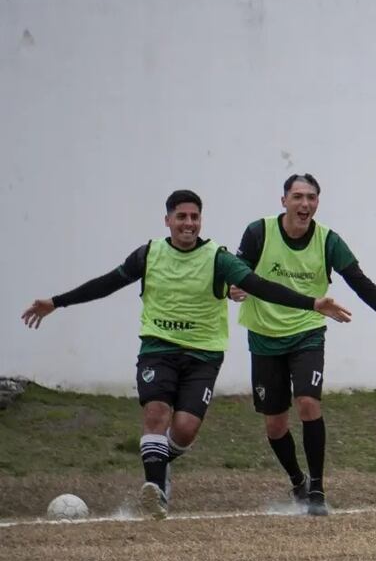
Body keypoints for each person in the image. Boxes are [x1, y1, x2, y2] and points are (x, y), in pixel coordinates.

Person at [21, 190, 351, 520]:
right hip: (158, 348)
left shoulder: (218, 259)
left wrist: (312, 303)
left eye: (194, 217)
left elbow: (259, 285)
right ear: (168, 221)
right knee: (155, 413)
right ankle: (156, 496)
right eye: (181, 217)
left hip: (203, 355)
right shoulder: (148, 254)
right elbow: (107, 283)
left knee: (185, 429)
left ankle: (160, 460)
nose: (188, 224)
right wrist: (56, 301)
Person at [232, 173, 376, 516]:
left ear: (317, 203)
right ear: (284, 201)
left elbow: (361, 284)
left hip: (307, 332)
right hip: (263, 336)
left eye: (311, 198)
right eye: (298, 197)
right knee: (275, 425)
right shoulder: (258, 232)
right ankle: (297, 481)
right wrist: (234, 289)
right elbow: (239, 273)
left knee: (308, 403)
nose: (305, 204)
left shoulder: (328, 241)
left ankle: (318, 489)